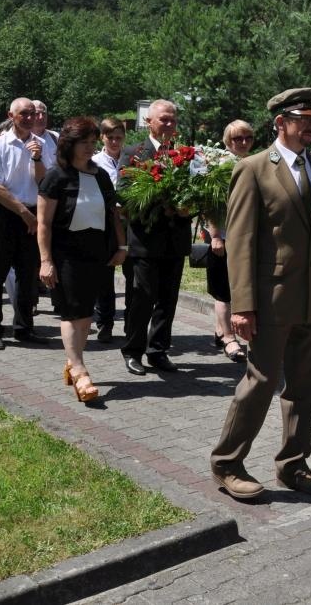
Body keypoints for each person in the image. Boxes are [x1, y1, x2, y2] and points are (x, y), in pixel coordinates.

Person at [209, 88, 311, 501]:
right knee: (261, 382)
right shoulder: (253, 168)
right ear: (281, 122)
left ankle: (293, 464)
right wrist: (243, 306)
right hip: (271, 299)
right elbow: (241, 242)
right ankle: (227, 463)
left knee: (304, 385)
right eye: (304, 120)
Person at [38, 117, 128, 404]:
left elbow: (113, 214)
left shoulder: (100, 175)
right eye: (83, 143)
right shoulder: (56, 177)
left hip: (96, 253)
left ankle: (72, 362)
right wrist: (46, 260)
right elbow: (43, 224)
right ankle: (79, 369)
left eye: (92, 142)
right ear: (69, 144)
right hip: (65, 253)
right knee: (71, 312)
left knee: (87, 314)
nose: (89, 148)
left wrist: (122, 246)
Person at [120, 99, 192, 375]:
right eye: (164, 119)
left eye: (173, 119)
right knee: (143, 298)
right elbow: (124, 192)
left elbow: (195, 189)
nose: (169, 124)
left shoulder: (186, 154)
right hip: (146, 239)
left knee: (167, 299)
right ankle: (132, 351)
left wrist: (188, 205)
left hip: (176, 239)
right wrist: (160, 202)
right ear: (148, 121)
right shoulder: (134, 153)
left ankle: (158, 350)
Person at [0, 97, 56, 350]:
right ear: (11, 116)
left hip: (33, 216)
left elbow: (45, 183)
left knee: (27, 275)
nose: (30, 118)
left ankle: (24, 328)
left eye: (33, 113)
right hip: (6, 215)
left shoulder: (42, 145)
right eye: (24, 113)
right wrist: (24, 213)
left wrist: (37, 159)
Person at [206, 119, 254, 362]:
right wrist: (215, 236)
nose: (243, 142)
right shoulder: (220, 166)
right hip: (225, 236)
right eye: (237, 138)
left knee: (241, 287)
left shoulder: (253, 163)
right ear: (227, 141)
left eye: (248, 138)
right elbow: (211, 204)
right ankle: (228, 338)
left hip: (247, 237)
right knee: (224, 290)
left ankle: (220, 330)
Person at [90, 117, 127, 342]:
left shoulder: (131, 159)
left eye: (118, 138)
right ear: (102, 137)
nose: (114, 142)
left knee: (133, 275)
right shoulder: (94, 162)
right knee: (105, 275)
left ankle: (132, 323)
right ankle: (105, 323)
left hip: (129, 221)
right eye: (110, 137)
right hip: (105, 222)